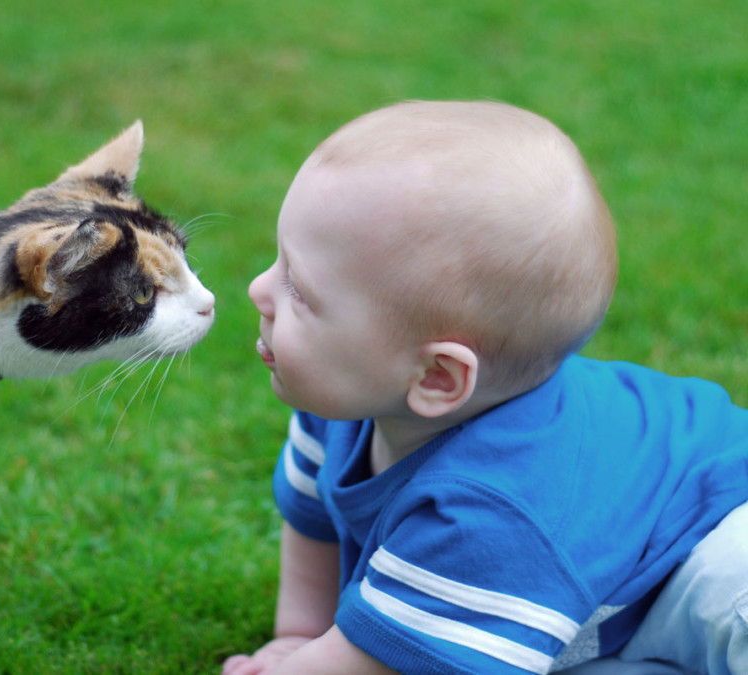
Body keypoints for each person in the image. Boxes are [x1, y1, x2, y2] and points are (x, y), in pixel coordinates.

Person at [223, 100, 748, 675]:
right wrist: (295, 638)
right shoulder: (342, 404)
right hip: (624, 588)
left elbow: (370, 663)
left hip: (717, 540)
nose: (257, 289)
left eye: (300, 290)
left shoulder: (490, 511)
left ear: (438, 378)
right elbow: (314, 520)